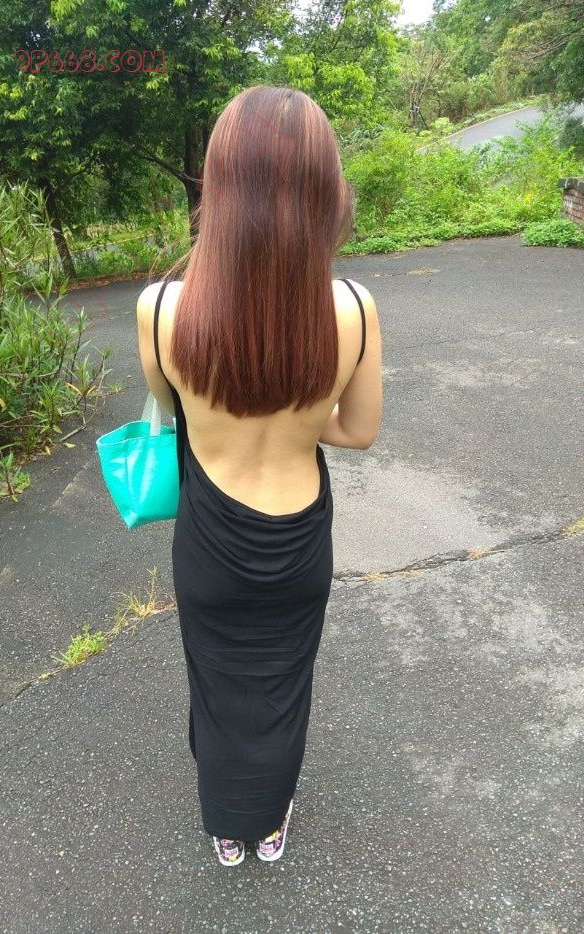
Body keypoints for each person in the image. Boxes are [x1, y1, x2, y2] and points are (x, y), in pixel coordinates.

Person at [136, 84, 382, 866]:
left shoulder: (159, 308)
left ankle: (227, 830)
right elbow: (359, 431)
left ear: (219, 185)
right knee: (283, 685)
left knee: (215, 682)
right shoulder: (354, 306)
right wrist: (302, 417)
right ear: (324, 190)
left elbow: (171, 409)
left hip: (209, 541)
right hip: (300, 540)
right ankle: (269, 823)